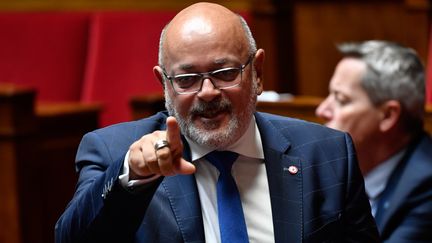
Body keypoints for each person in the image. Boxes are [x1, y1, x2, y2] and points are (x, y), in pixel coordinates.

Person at [55, 3, 379, 242]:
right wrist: (133, 175)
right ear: (164, 84)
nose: (207, 93)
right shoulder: (112, 151)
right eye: (186, 79)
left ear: (257, 73)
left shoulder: (327, 153)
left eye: (224, 73)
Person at [316, 40, 432, 242]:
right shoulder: (328, 168)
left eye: (341, 99)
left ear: (388, 115)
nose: (322, 110)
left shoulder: (426, 187)